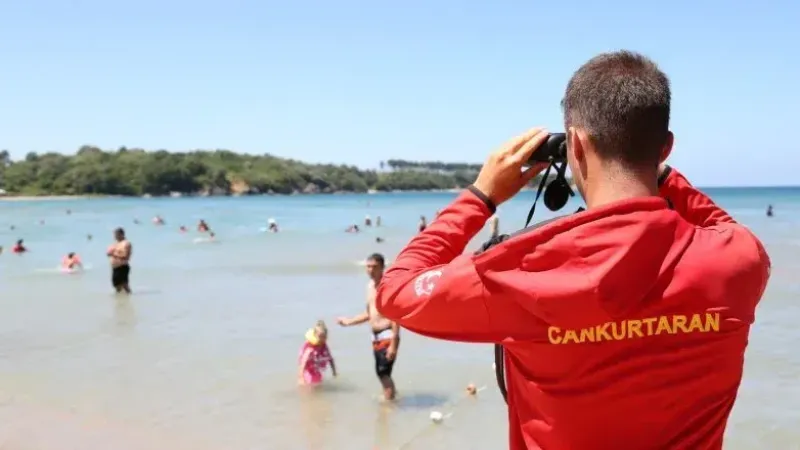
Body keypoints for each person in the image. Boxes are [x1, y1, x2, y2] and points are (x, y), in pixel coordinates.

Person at [375, 51, 771, 449]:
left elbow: (395, 291)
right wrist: (662, 173)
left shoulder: (520, 273)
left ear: (575, 145)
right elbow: (722, 225)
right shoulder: (738, 261)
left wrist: (481, 196)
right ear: (666, 148)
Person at [338, 253, 400, 401]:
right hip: (375, 337)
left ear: (382, 267)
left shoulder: (388, 287)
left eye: (375, 267)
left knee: (383, 373)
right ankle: (391, 400)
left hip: (387, 334)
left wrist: (394, 343)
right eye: (368, 267)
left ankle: (388, 405)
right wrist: (349, 321)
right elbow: (369, 314)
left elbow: (396, 314)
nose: (371, 270)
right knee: (382, 373)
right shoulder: (369, 287)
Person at [297, 320, 337, 386]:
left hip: (315, 367)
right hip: (307, 369)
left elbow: (330, 359)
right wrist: (301, 377)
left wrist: (334, 371)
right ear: (315, 336)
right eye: (320, 336)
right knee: (309, 386)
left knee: (319, 383)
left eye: (324, 337)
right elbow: (303, 362)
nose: (322, 339)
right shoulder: (310, 347)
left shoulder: (324, 346)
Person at [107, 227, 133, 294]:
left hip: (122, 267)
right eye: (114, 234)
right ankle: (120, 298)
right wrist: (109, 253)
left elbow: (126, 256)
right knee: (116, 286)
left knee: (125, 285)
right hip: (115, 267)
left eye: (116, 234)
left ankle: (129, 296)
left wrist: (113, 254)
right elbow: (110, 253)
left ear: (121, 234)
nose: (115, 236)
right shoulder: (115, 243)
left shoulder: (126, 243)